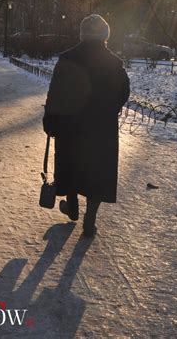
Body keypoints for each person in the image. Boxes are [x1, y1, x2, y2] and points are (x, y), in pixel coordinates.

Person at [43, 14, 130, 237]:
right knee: (98, 172)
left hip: (70, 123)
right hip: (101, 128)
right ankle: (90, 219)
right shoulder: (114, 63)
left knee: (71, 164)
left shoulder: (67, 59)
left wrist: (50, 119)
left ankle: (72, 206)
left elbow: (55, 93)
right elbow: (124, 92)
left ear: (82, 35)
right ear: (105, 36)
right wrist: (110, 108)